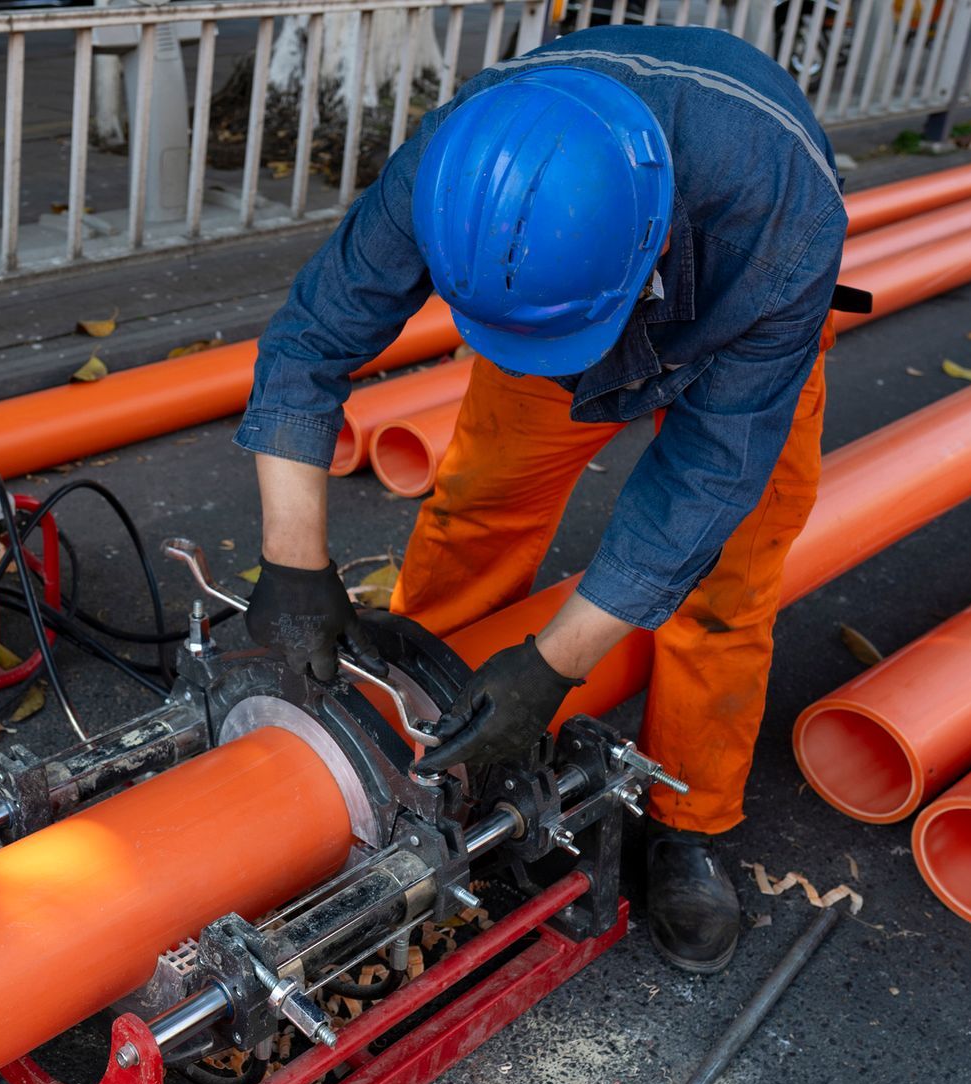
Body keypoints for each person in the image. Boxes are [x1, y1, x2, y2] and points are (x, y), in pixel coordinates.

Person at [235, 25, 847, 974]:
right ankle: (419, 730)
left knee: (726, 584)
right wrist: (293, 561)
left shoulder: (781, 227)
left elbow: (702, 483)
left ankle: (688, 818)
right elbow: (310, 343)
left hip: (729, 326)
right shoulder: (454, 171)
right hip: (557, 307)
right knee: (481, 502)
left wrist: (553, 669)